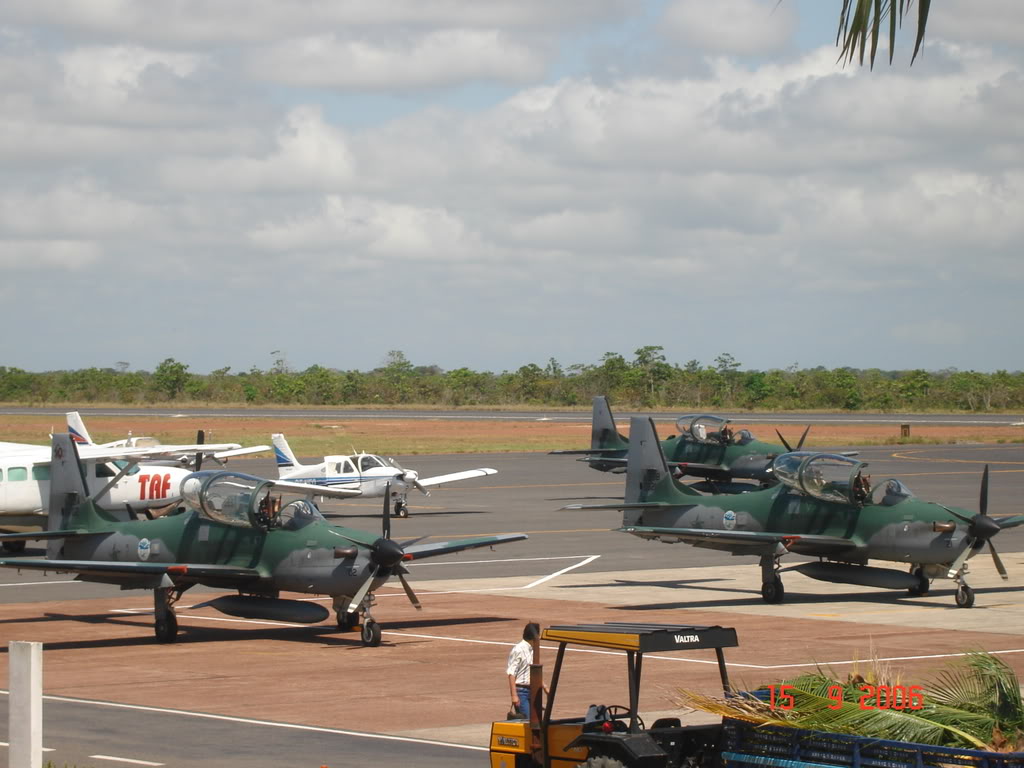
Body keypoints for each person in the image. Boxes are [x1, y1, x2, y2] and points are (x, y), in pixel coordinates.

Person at [507, 622, 540, 719]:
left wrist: (544, 687)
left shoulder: (533, 649)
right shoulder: (518, 649)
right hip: (521, 691)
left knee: (536, 719)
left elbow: (533, 671)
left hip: (532, 689)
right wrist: (514, 695)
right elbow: (511, 673)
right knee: (527, 720)